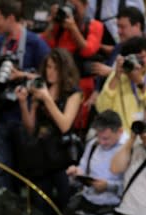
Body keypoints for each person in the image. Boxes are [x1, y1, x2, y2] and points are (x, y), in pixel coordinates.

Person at [0, 0, 50, 190]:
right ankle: (2, 214)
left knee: (25, 168)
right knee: (0, 168)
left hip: (23, 115)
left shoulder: (35, 43)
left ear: (10, 18)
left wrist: (22, 75)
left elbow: (49, 77)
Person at [15, 48, 82, 214]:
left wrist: (47, 98)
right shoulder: (40, 89)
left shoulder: (73, 94)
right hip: (40, 155)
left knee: (64, 204)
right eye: (49, 67)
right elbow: (31, 127)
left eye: (55, 68)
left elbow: (65, 124)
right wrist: (24, 103)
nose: (50, 72)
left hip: (62, 156)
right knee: (40, 204)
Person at [65, 109, 128, 215]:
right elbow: (84, 166)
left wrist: (108, 186)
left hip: (113, 209)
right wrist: (76, 173)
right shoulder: (94, 144)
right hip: (89, 202)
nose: (102, 142)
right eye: (99, 137)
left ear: (119, 131)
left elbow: (131, 185)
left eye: (106, 138)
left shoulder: (127, 149)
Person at [39, 0, 104, 136]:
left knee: (76, 125)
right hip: (59, 82)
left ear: (85, 6)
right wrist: (53, 22)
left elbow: (89, 50)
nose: (72, 10)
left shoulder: (94, 25)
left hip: (83, 83)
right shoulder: (60, 26)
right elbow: (45, 44)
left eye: (76, 6)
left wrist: (73, 28)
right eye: (69, 5)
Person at [95, 36, 146, 132]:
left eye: (141, 57)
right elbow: (102, 108)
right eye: (134, 58)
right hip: (123, 137)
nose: (137, 63)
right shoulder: (117, 77)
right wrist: (116, 76)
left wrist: (140, 84)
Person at [90, 6, 146, 95]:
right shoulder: (118, 48)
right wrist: (96, 91)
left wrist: (113, 73)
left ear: (137, 26)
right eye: (118, 27)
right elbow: (104, 71)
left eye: (122, 27)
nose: (119, 31)